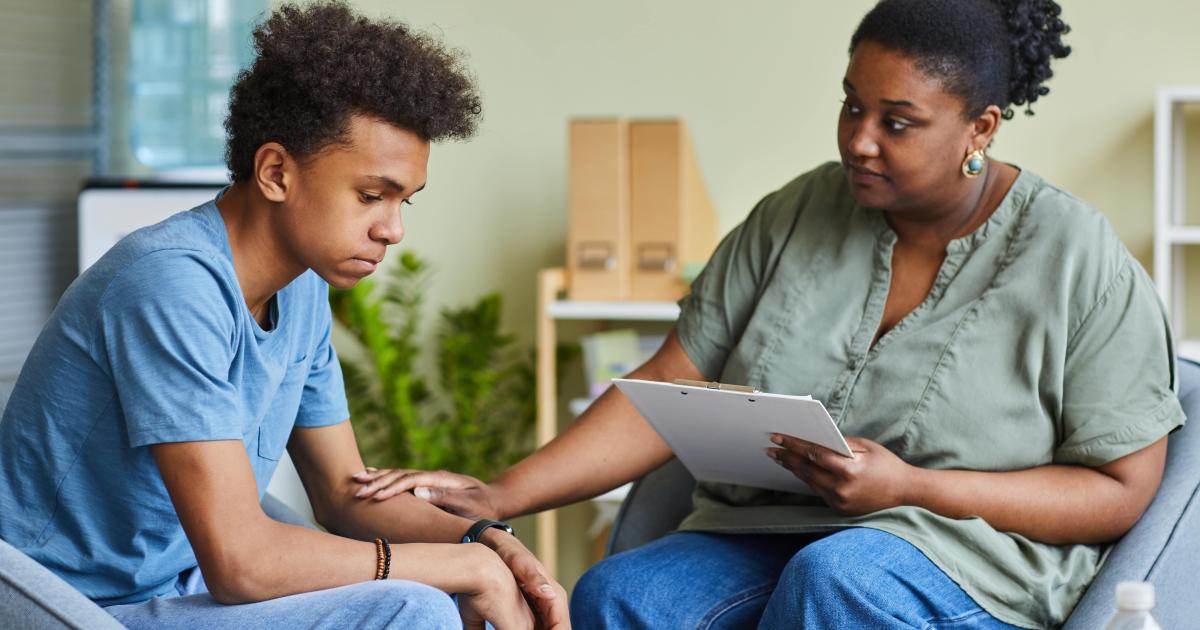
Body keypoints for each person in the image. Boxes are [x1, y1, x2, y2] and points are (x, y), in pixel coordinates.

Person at [352, 0, 1186, 627]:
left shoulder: (1078, 256)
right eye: (851, 105)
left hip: (971, 561)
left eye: (897, 123)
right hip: (771, 532)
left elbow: (1120, 488)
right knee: (622, 593)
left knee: (837, 578)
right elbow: (668, 384)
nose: (859, 140)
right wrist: (500, 493)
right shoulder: (794, 215)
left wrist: (913, 486)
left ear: (981, 128)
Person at [0, 2, 569, 628]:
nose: (394, 229)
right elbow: (242, 561)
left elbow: (344, 492)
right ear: (275, 172)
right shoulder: (169, 285)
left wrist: (487, 543)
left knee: (447, 587)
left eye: (405, 201)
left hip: (178, 582)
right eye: (371, 196)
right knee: (412, 607)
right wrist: (456, 569)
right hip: (71, 606)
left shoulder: (301, 289)